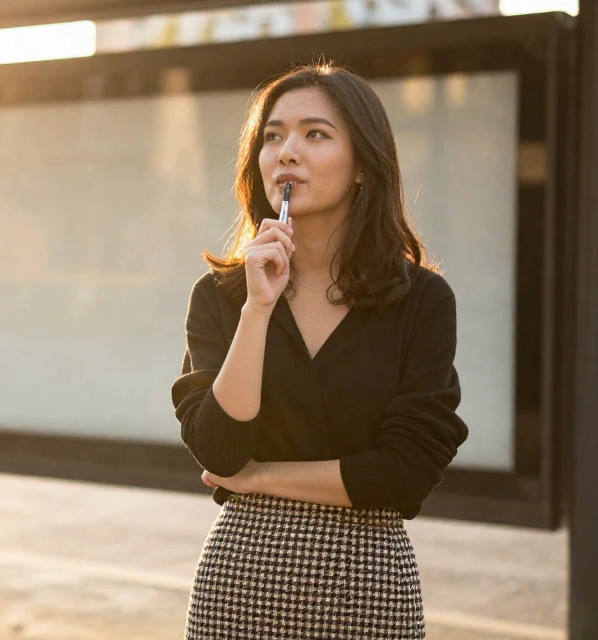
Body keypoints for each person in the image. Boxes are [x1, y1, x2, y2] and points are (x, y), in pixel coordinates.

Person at [171, 64, 468, 639]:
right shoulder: (221, 296)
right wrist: (257, 309)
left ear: (362, 166)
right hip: (240, 584)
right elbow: (218, 450)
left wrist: (260, 480)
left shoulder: (421, 300)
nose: (287, 152)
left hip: (367, 585)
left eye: (315, 134)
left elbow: (406, 472)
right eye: (273, 136)